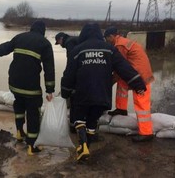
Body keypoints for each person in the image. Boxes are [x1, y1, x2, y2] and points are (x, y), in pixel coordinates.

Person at [61, 23, 146, 161]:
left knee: (78, 117)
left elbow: (69, 74)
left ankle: (83, 145)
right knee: (93, 119)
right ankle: (86, 146)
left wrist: (65, 92)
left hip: (82, 93)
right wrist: (138, 83)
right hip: (102, 94)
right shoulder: (110, 49)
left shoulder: (77, 50)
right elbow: (124, 68)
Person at [0, 20, 55, 155]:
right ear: (43, 31)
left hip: (14, 82)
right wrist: (50, 90)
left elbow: (4, 48)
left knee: (19, 104)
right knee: (33, 111)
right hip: (30, 85)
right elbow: (49, 69)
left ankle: (20, 132)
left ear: (31, 29)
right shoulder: (45, 43)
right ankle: (32, 145)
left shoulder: (20, 37)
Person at [104, 27, 155, 142]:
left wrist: (108, 82)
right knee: (122, 85)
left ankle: (146, 133)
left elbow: (120, 67)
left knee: (141, 104)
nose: (106, 41)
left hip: (140, 78)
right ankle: (121, 109)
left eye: (107, 38)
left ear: (111, 36)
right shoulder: (123, 42)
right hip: (136, 72)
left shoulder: (119, 46)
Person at [55, 32, 80, 132]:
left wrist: (67, 76)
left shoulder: (69, 42)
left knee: (74, 98)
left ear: (61, 38)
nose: (60, 45)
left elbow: (72, 62)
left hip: (78, 74)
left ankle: (73, 126)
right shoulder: (74, 40)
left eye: (58, 42)